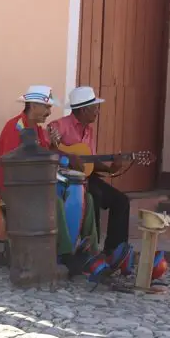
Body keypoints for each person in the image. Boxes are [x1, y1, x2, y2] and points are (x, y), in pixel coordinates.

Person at [47, 86, 130, 258]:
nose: (97, 112)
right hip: (64, 179)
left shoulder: (89, 131)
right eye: (94, 108)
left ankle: (114, 250)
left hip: (85, 177)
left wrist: (110, 168)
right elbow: (48, 148)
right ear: (83, 109)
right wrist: (68, 157)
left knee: (121, 201)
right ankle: (91, 250)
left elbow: (89, 160)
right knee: (95, 196)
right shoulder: (60, 125)